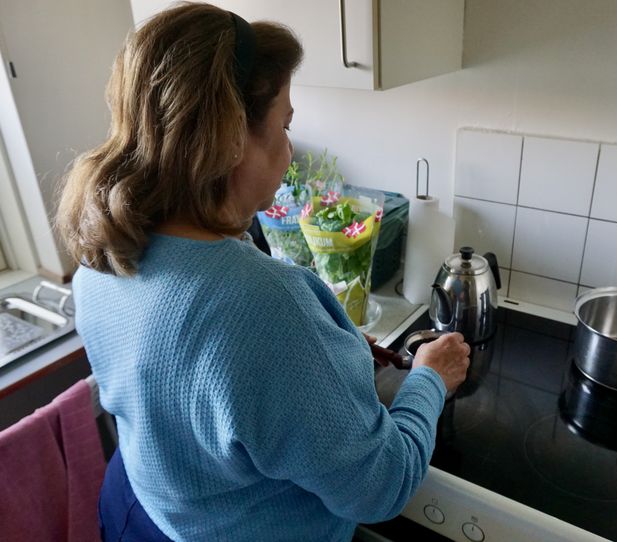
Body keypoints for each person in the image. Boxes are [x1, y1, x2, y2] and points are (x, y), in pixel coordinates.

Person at [57, 3, 470, 541]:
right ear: (230, 140)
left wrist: (323, 353)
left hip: (137, 510)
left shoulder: (101, 254)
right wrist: (429, 379)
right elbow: (381, 487)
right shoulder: (266, 306)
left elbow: (191, 386)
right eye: (284, 124)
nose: (290, 148)